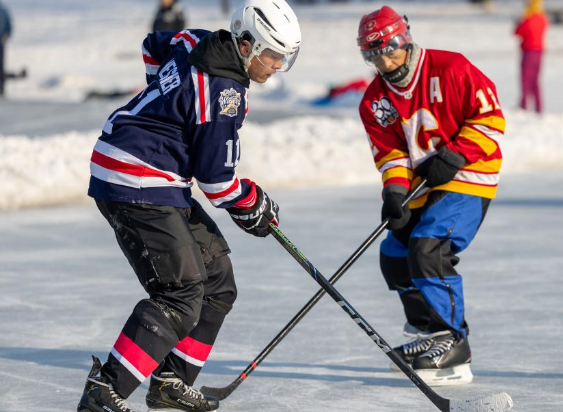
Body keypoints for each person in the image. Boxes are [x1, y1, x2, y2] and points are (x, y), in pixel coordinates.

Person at [77, 0, 301, 411]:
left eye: (284, 57)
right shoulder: (225, 94)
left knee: (217, 283)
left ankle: (169, 383)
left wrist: (161, 103)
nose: (276, 65)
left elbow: (152, 45)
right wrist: (253, 203)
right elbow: (217, 183)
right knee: (180, 292)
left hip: (154, 178)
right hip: (136, 179)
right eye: (272, 54)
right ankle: (103, 392)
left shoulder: (195, 39)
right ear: (246, 44)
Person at [357, 6, 505, 386]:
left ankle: (453, 340)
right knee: (394, 255)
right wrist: (395, 192)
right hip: (425, 183)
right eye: (373, 55)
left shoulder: (451, 67)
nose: (385, 61)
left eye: (390, 49)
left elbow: (491, 119)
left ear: (404, 39)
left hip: (469, 174)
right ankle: (431, 333)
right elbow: (390, 153)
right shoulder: (374, 99)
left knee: (428, 247)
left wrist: (454, 156)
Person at [515, 0, 549, 114]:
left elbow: (518, 32)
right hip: (539, 52)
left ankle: (524, 106)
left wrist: (521, 20)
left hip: (528, 51)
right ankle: (538, 107)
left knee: (525, 79)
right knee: (535, 81)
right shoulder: (543, 19)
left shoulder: (528, 19)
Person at [0, 0, 12, 97]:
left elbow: (8, 25)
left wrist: (7, 35)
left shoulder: (3, 10)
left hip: (1, 42)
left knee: (0, 65)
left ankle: (1, 88)